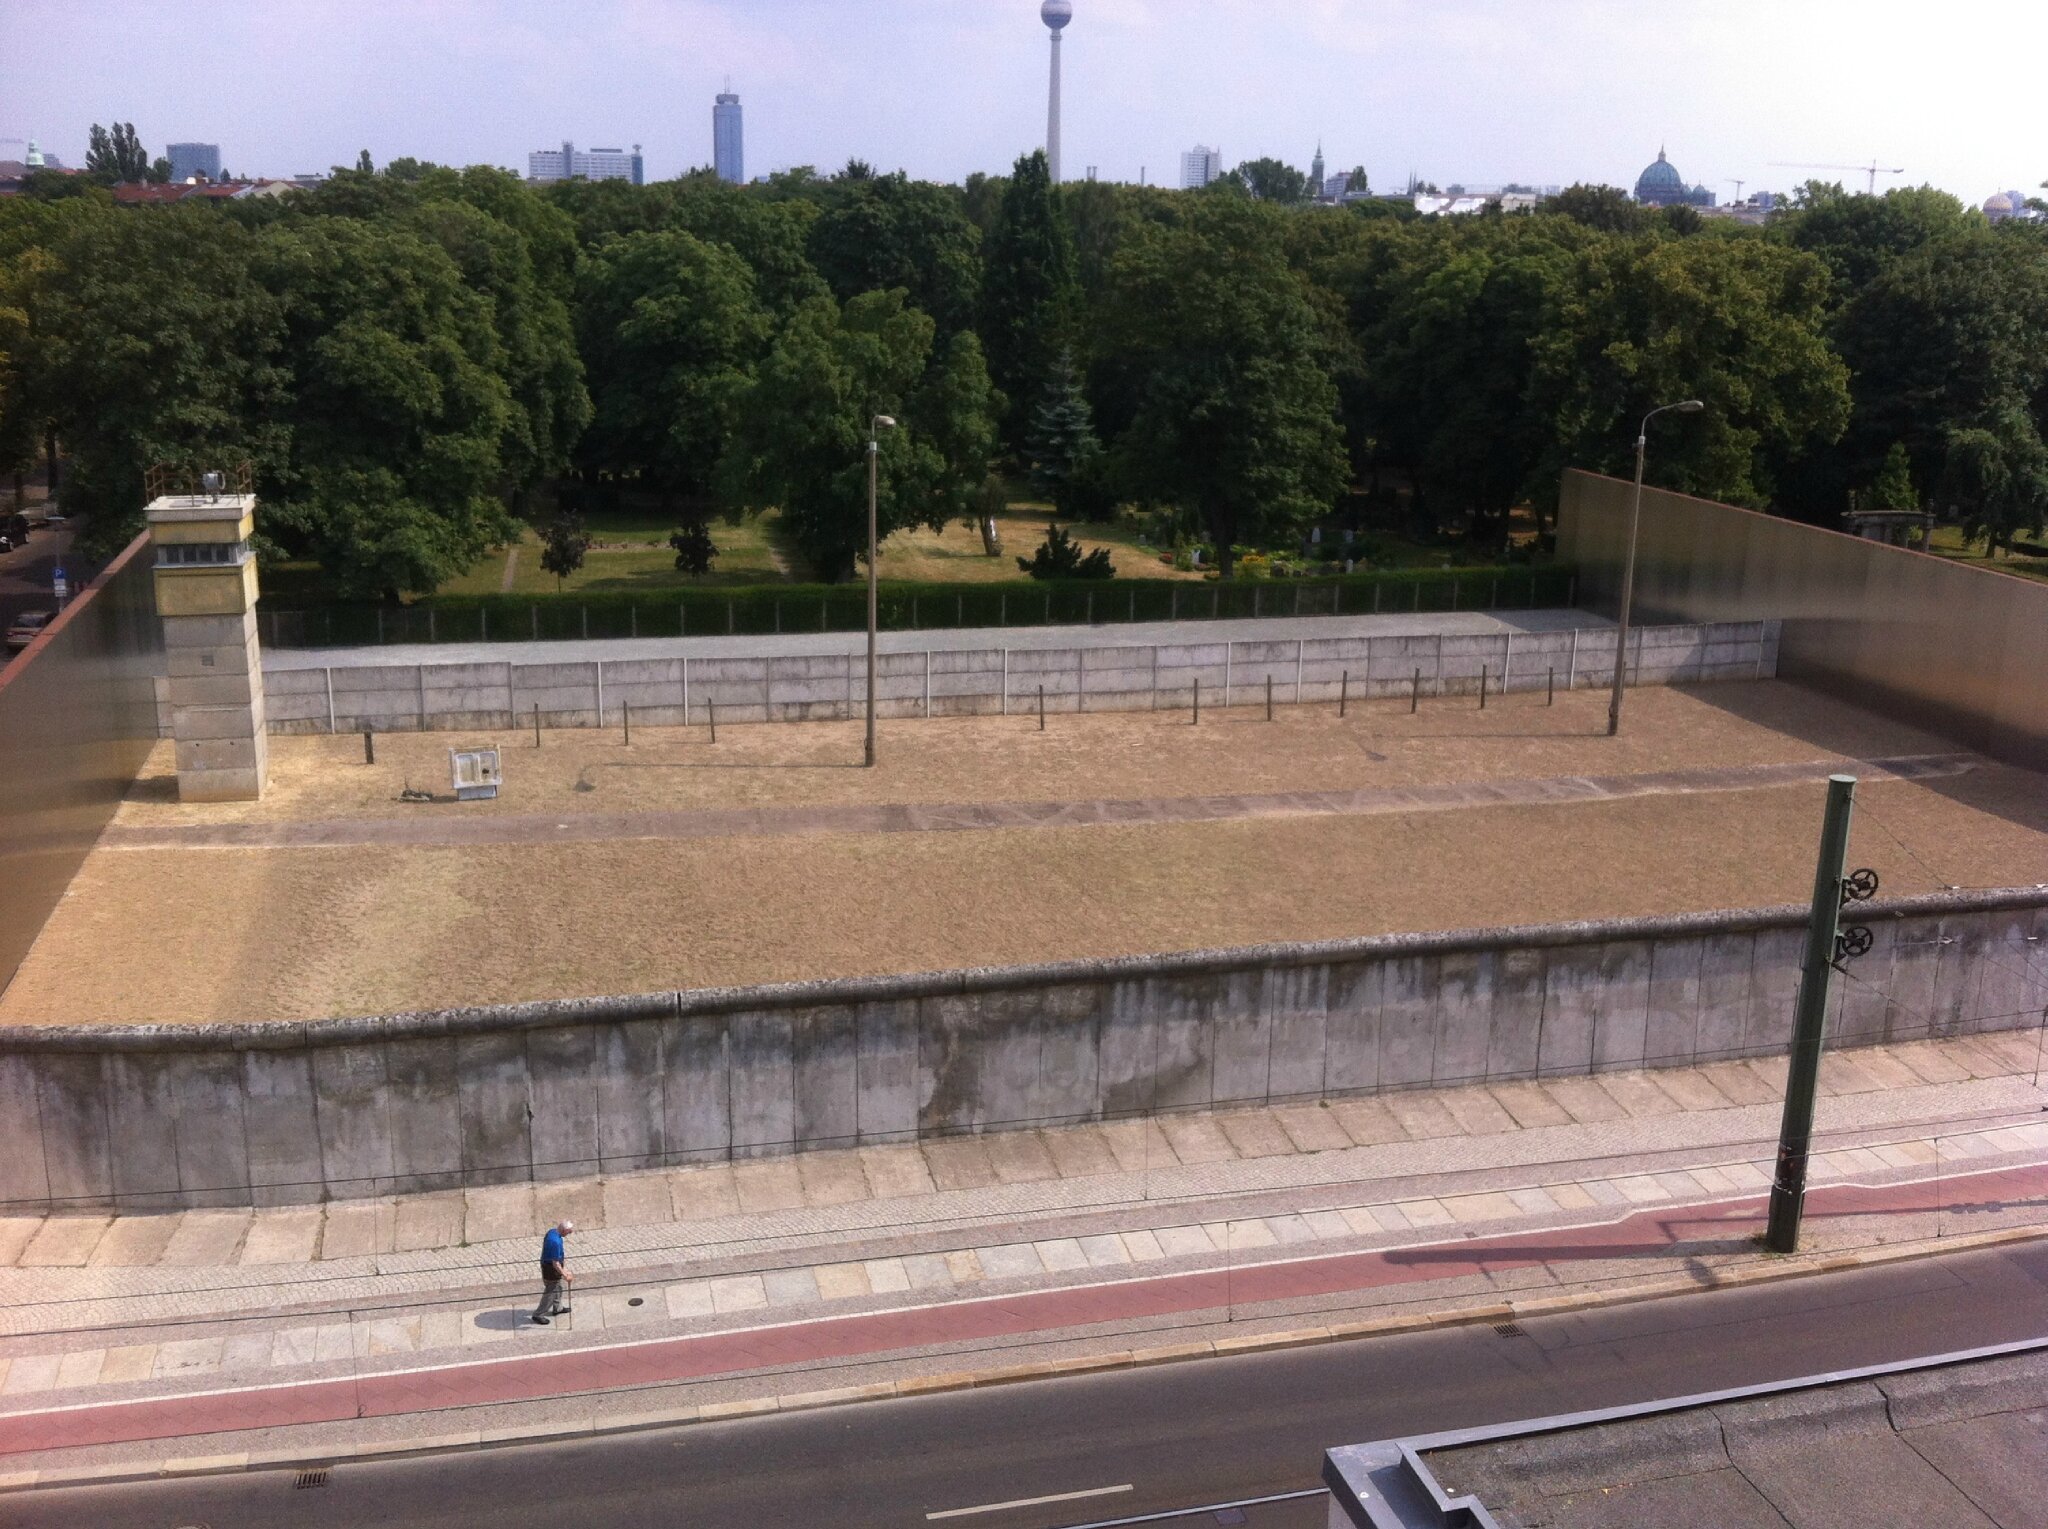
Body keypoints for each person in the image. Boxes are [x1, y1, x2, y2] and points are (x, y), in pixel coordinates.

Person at [532, 1219, 574, 1324]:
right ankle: (538, 1314)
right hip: (550, 1270)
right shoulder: (555, 1242)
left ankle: (558, 1308)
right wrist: (565, 1274)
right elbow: (555, 1263)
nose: (569, 1234)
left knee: (558, 1287)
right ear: (563, 1230)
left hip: (549, 1265)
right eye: (568, 1232)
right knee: (550, 1293)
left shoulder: (552, 1232)